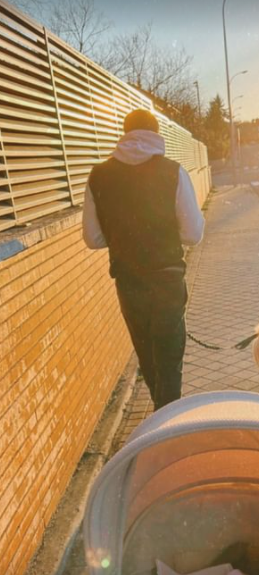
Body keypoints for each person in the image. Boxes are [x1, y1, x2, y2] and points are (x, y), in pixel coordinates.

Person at [82, 109, 205, 410]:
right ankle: (167, 423)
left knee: (148, 358)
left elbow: (92, 239)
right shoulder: (172, 171)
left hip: (129, 283)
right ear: (156, 135)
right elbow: (193, 233)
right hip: (166, 280)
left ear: (125, 135)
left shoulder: (98, 176)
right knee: (169, 358)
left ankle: (160, 415)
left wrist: (124, 234)